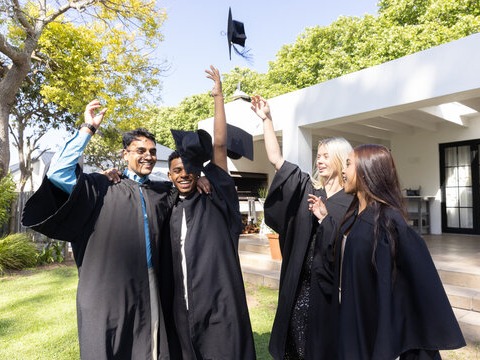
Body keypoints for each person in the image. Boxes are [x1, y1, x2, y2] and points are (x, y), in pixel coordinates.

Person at [22, 101, 182, 360]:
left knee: (150, 345)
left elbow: (187, 187)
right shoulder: (102, 185)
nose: (148, 156)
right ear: (124, 154)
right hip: (105, 285)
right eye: (140, 150)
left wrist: (203, 176)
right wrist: (87, 128)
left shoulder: (161, 191)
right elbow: (59, 173)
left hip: (149, 280)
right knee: (106, 344)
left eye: (152, 151)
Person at [308, 144, 466, 360]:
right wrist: (325, 220)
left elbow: (411, 284)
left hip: (371, 328)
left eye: (348, 164)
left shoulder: (388, 222)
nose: (343, 171)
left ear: (367, 171)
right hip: (350, 318)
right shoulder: (352, 217)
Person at [250, 95, 353, 360]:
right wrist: (267, 120)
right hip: (300, 285)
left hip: (333, 290)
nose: (320, 161)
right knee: (296, 345)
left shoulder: (352, 201)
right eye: (318, 156)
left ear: (341, 160)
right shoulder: (308, 188)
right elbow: (277, 160)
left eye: (326, 156)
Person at [167, 66, 256, 360]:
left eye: (188, 169)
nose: (183, 175)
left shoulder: (215, 195)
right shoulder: (168, 204)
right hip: (184, 308)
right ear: (169, 175)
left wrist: (218, 96)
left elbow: (219, 144)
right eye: (177, 171)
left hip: (220, 304)